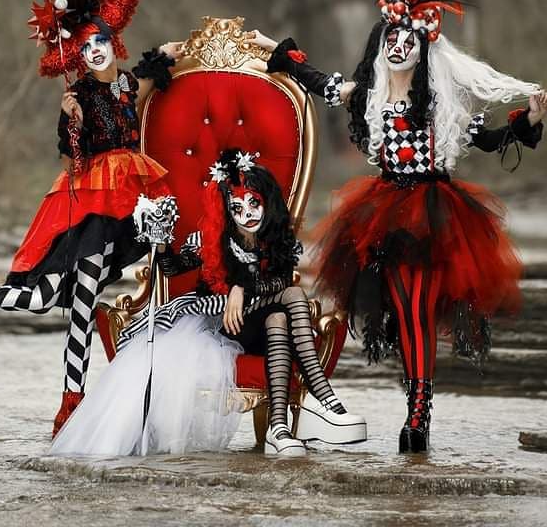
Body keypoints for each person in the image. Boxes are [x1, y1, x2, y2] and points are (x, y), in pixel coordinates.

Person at [250, 0, 547, 453]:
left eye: (407, 40)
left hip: (435, 213)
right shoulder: (368, 98)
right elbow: (321, 82)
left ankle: (417, 413)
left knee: (417, 310)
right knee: (406, 312)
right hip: (383, 213)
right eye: (391, 38)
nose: (397, 47)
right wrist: (276, 53)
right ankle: (417, 409)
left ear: (424, 49)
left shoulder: (441, 107)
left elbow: (495, 138)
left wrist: (531, 118)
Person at [0, 0, 184, 437]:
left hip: (128, 205)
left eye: (101, 43)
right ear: (77, 57)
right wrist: (71, 120)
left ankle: (68, 404)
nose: (95, 52)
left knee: (77, 305)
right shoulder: (80, 98)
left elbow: (162, 64)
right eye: (86, 47)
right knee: (47, 299)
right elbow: (75, 160)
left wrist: (181, 49)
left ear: (115, 44)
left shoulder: (132, 86)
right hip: (89, 207)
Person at [51, 149, 366, 457]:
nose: (248, 214)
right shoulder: (211, 240)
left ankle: (279, 428)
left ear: (266, 203)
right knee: (293, 299)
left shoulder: (276, 241)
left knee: (280, 317)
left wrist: (241, 288)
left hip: (259, 325)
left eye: (254, 203)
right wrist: (160, 243)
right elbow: (173, 269)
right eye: (237, 207)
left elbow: (280, 282)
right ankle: (323, 401)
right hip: (223, 326)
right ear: (225, 210)